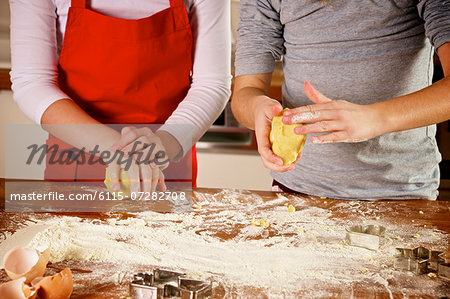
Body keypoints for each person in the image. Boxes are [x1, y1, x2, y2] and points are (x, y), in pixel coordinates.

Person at [231, 0, 450, 200]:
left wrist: (375, 118)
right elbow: (246, 91)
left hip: (400, 192)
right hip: (295, 191)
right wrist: (256, 108)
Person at [9, 0, 231, 194]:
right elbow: (32, 82)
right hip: (75, 164)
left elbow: (211, 84)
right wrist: (119, 151)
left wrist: (162, 145)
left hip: (165, 162)